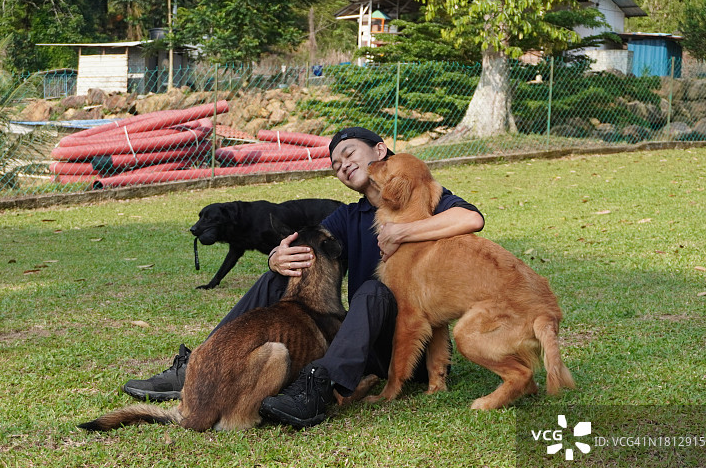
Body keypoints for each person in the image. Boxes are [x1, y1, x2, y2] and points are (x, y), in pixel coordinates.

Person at [122, 127, 485, 428]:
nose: (343, 166)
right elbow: (302, 247)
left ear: (380, 149)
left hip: (408, 341)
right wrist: (276, 258)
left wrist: (403, 232)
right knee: (279, 278)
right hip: (361, 337)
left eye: (349, 154)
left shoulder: (421, 193)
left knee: (376, 289)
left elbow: (472, 219)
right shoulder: (348, 216)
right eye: (335, 164)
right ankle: (199, 365)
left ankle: (318, 388)